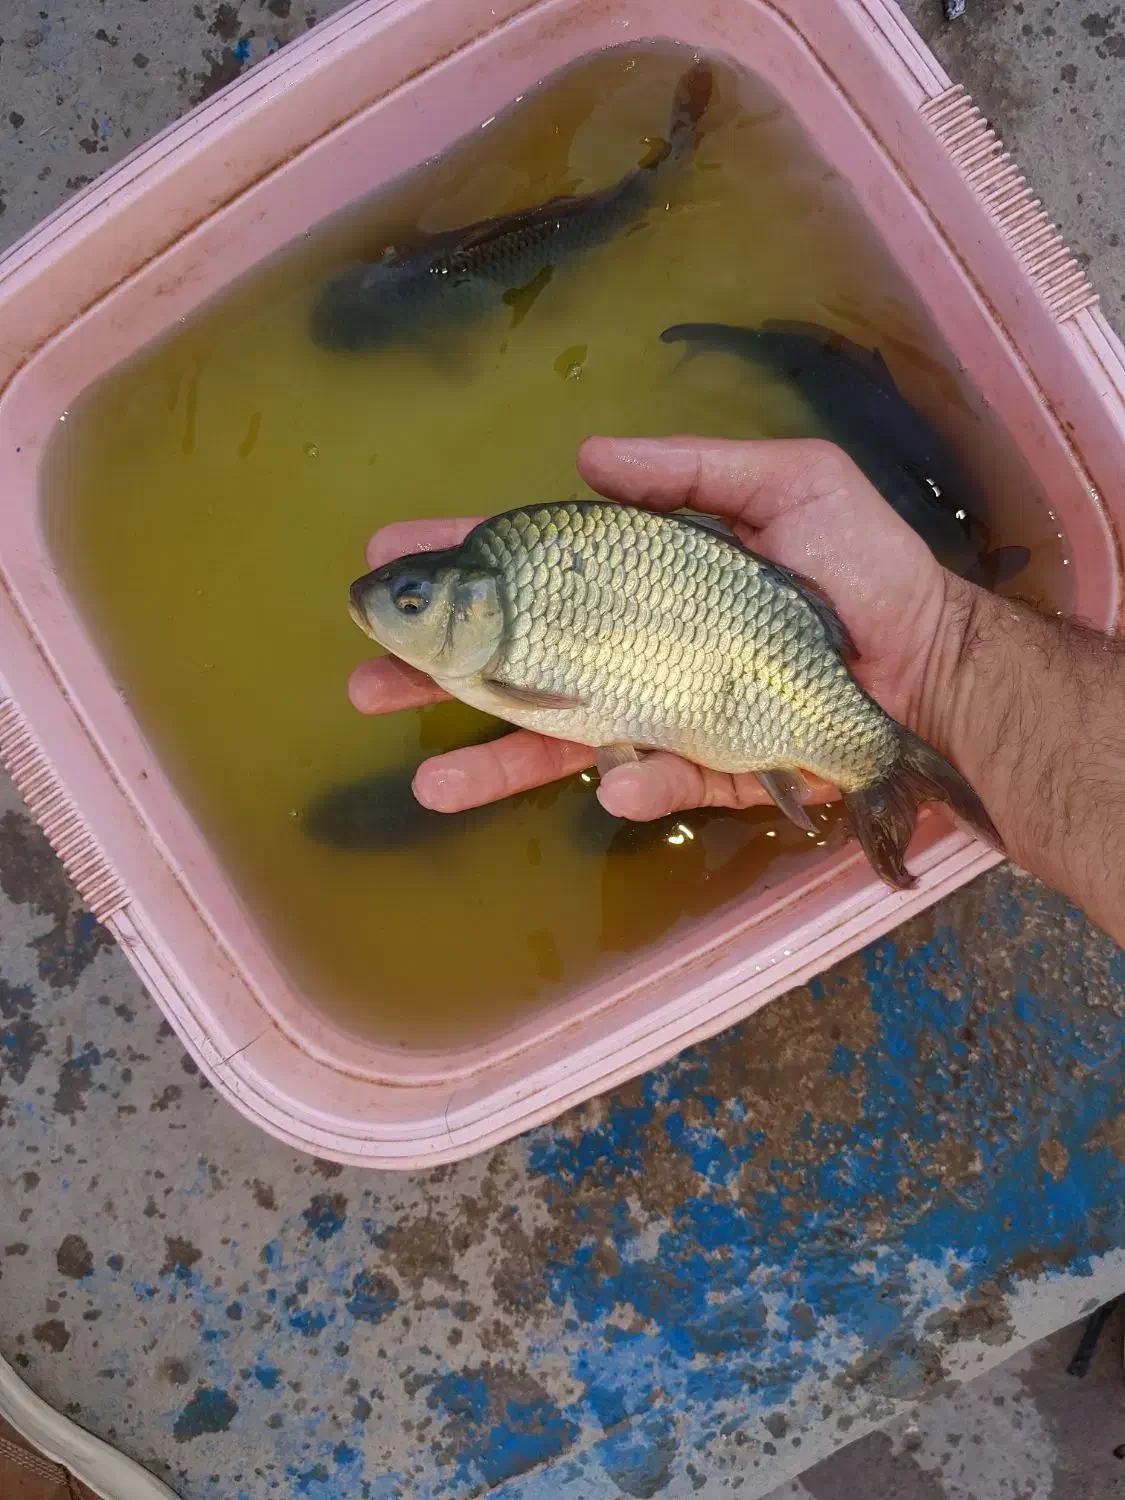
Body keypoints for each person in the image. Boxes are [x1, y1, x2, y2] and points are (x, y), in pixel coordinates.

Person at [349, 436, 1125, 946]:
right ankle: (891, 765)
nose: (392, 611)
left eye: (411, 602)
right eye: (410, 603)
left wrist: (941, 657)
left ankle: (881, 763)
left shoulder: (501, 639)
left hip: (745, 672)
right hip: (727, 684)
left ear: (475, 598)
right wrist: (946, 660)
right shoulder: (508, 593)